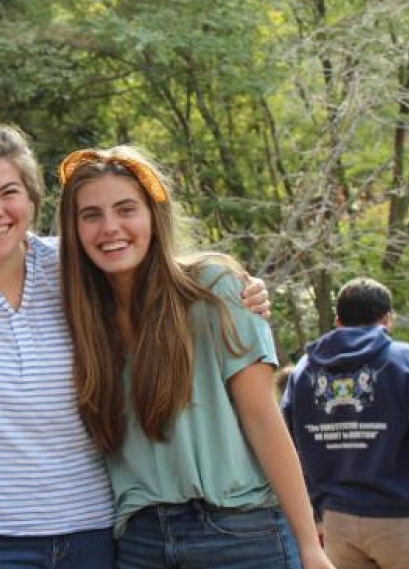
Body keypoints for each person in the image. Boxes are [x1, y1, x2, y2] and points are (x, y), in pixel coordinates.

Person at [0, 126, 270, 569]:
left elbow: (156, 274)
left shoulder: (78, 268)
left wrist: (242, 291)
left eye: (9, 192)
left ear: (32, 201)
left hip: (92, 531)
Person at [55, 145, 332, 569]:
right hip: (141, 542)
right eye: (90, 215)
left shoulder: (214, 289)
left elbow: (263, 418)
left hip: (241, 533)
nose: (110, 227)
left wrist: (310, 545)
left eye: (126, 209)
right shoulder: (81, 318)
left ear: (154, 215)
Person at [282, 277, 409, 568]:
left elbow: (286, 442)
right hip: (398, 517)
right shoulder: (401, 358)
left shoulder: (303, 371)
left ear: (338, 321)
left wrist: (312, 513)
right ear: (387, 319)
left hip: (335, 521)